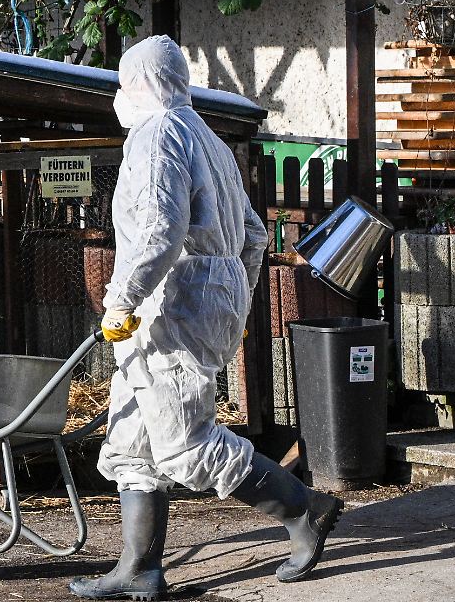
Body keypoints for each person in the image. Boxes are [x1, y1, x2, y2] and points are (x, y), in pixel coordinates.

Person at [69, 36, 343, 601]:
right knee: (132, 442)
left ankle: (304, 510)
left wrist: (122, 297)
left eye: (125, 85)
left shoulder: (156, 135)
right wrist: (231, 295)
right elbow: (255, 234)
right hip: (202, 296)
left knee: (183, 444)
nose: (121, 98)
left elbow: (157, 231)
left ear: (142, 83)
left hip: (169, 302)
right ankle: (139, 568)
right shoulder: (209, 139)